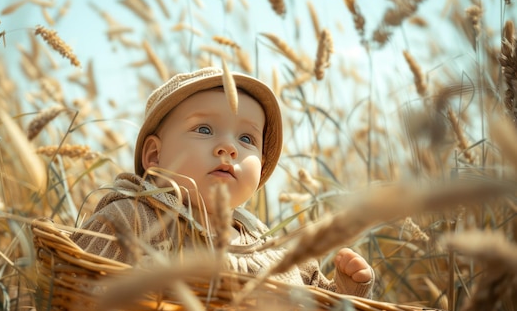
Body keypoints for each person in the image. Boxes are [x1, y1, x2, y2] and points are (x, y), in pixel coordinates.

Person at [72, 67, 374, 298]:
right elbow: (72, 288)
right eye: (204, 129)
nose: (229, 149)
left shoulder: (276, 251)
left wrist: (346, 292)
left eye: (246, 138)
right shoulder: (130, 221)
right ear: (155, 155)